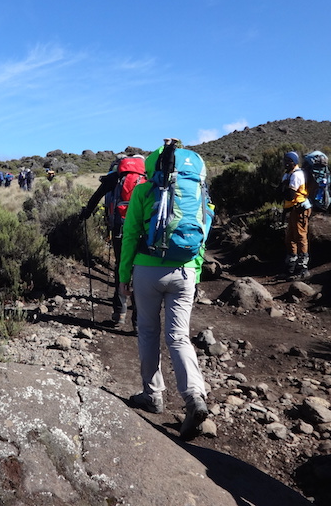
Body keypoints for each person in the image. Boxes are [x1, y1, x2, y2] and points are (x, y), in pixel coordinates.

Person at [117, 143, 209, 440]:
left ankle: (153, 394)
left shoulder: (144, 191)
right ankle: (194, 395)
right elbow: (204, 233)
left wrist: (123, 275)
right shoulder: (199, 194)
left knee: (147, 331)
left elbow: (130, 235)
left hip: (147, 269)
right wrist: (196, 270)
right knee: (179, 336)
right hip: (185, 271)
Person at [79, 154, 146, 327]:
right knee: (139, 270)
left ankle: (119, 312)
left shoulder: (115, 177)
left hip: (119, 228)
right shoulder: (147, 178)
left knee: (121, 266)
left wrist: (86, 213)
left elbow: (96, 196)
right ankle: (138, 321)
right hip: (142, 231)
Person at [280, 151, 312, 279]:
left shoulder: (296, 175)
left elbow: (290, 195)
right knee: (290, 238)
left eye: (289, 161)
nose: (286, 163)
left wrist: (284, 189)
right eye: (285, 161)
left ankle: (302, 268)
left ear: (294, 162)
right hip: (292, 209)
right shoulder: (288, 175)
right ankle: (291, 267)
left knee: (300, 236)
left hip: (300, 209)